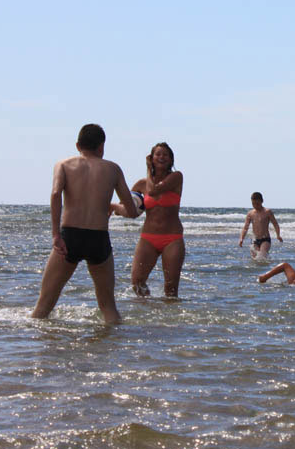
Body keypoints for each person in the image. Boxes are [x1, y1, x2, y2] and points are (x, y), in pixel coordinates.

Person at [32, 124, 138, 323]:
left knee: (44, 304)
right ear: (102, 147)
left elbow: (56, 194)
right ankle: (115, 349)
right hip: (98, 238)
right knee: (108, 307)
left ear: (78, 145)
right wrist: (114, 207)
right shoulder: (113, 169)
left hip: (70, 236)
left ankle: (34, 350)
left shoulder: (63, 164)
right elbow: (131, 212)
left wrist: (56, 235)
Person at [111, 142, 184, 297]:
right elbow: (132, 211)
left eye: (165, 154)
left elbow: (152, 190)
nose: (161, 157)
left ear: (171, 160)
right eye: (158, 154)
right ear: (152, 157)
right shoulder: (141, 185)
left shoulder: (176, 177)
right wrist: (114, 208)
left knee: (171, 290)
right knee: (137, 282)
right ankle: (147, 315)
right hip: (148, 238)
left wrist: (147, 168)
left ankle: (169, 319)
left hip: (172, 239)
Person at [239, 192, 283, 259]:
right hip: (254, 240)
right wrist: (242, 239)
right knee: (255, 259)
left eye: (257, 204)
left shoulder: (267, 212)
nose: (255, 206)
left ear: (262, 201)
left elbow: (275, 224)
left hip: (265, 239)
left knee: (262, 256)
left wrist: (278, 235)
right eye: (253, 204)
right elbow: (245, 228)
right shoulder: (250, 213)